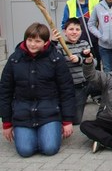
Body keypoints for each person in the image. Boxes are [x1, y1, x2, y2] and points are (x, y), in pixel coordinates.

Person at [0, 23, 75, 157]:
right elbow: (5, 91)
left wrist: (67, 121)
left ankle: (49, 131)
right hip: (22, 112)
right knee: (25, 151)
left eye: (37, 41)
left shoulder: (56, 59)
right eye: (29, 40)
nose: (32, 44)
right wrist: (6, 122)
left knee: (49, 148)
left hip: (49, 111)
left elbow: (67, 90)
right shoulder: (14, 60)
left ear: (46, 42)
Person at [53, 18, 95, 125]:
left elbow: (94, 63)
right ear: (65, 31)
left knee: (76, 120)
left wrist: (81, 59)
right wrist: (53, 41)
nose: (74, 32)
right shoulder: (60, 46)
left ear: (81, 31)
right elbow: (54, 61)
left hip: (82, 85)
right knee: (66, 114)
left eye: (77, 29)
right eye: (71, 29)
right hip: (68, 85)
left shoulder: (84, 44)